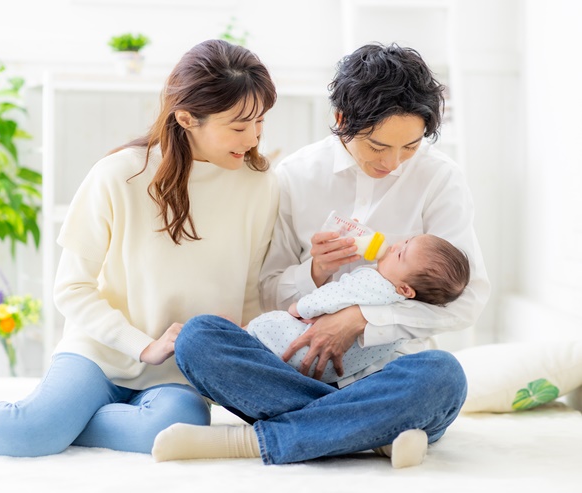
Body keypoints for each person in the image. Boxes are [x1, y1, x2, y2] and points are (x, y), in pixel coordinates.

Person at [0, 39, 279, 457]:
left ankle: (55, 420)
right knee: (31, 434)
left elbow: (248, 294)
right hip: (100, 351)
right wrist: (141, 345)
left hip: (177, 373)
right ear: (186, 119)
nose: (254, 138)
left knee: (167, 433)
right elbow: (72, 288)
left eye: (260, 121)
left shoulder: (260, 188)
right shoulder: (119, 176)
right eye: (239, 126)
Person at [151, 43, 491, 469]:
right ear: (341, 121)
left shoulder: (440, 178)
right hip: (293, 368)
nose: (394, 163)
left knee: (442, 377)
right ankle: (374, 430)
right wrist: (314, 271)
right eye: (378, 145)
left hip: (385, 372)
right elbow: (267, 291)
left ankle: (254, 442)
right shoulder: (294, 176)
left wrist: (362, 318)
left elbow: (466, 298)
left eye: (410, 146)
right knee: (198, 338)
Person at [247, 233, 470, 385]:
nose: (395, 246)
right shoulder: (403, 314)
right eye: (406, 241)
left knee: (262, 326)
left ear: (405, 289)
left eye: (401, 254)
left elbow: (331, 297)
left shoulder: (373, 281)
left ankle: (242, 332)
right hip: (331, 375)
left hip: (300, 348)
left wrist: (301, 308)